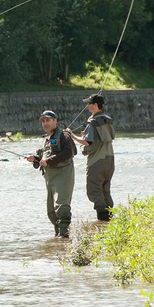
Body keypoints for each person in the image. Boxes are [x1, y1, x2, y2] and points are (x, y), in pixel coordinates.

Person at [25, 110, 76, 238]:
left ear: (55, 121)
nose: (45, 123)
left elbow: (68, 153)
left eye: (48, 120)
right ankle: (59, 239)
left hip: (63, 176)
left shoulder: (64, 135)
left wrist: (47, 160)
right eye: (43, 121)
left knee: (62, 207)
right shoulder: (47, 138)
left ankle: (64, 236)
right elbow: (45, 156)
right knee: (51, 212)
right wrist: (35, 158)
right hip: (50, 179)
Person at [66, 93, 115, 221]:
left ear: (95, 105)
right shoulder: (107, 119)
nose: (87, 106)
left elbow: (87, 142)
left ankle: (103, 220)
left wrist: (71, 135)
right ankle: (110, 221)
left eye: (89, 103)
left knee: (94, 190)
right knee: (105, 190)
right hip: (110, 160)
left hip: (97, 161)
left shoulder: (93, 122)